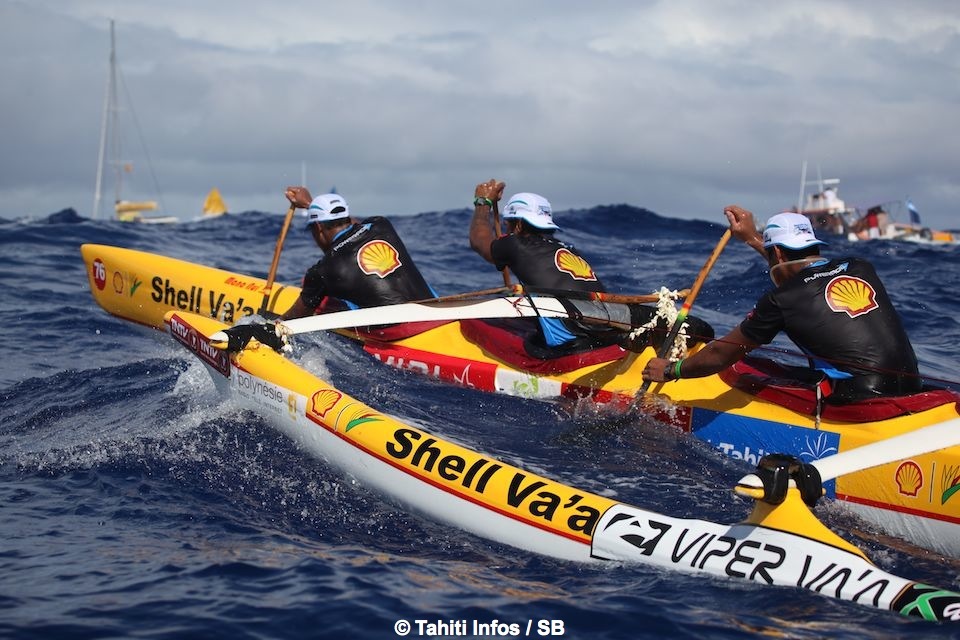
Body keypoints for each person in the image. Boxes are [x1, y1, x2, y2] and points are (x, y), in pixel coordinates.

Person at [642, 207, 921, 403]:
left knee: (748, 370)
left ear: (775, 251)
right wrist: (752, 238)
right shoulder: (860, 267)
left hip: (858, 400)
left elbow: (720, 356)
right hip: (913, 388)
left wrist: (671, 370)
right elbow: (804, 278)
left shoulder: (781, 300)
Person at [279, 186, 435, 320]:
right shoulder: (381, 225)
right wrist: (310, 204)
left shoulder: (322, 271)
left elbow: (292, 320)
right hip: (436, 314)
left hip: (400, 334)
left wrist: (269, 326)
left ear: (318, 227)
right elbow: (357, 226)